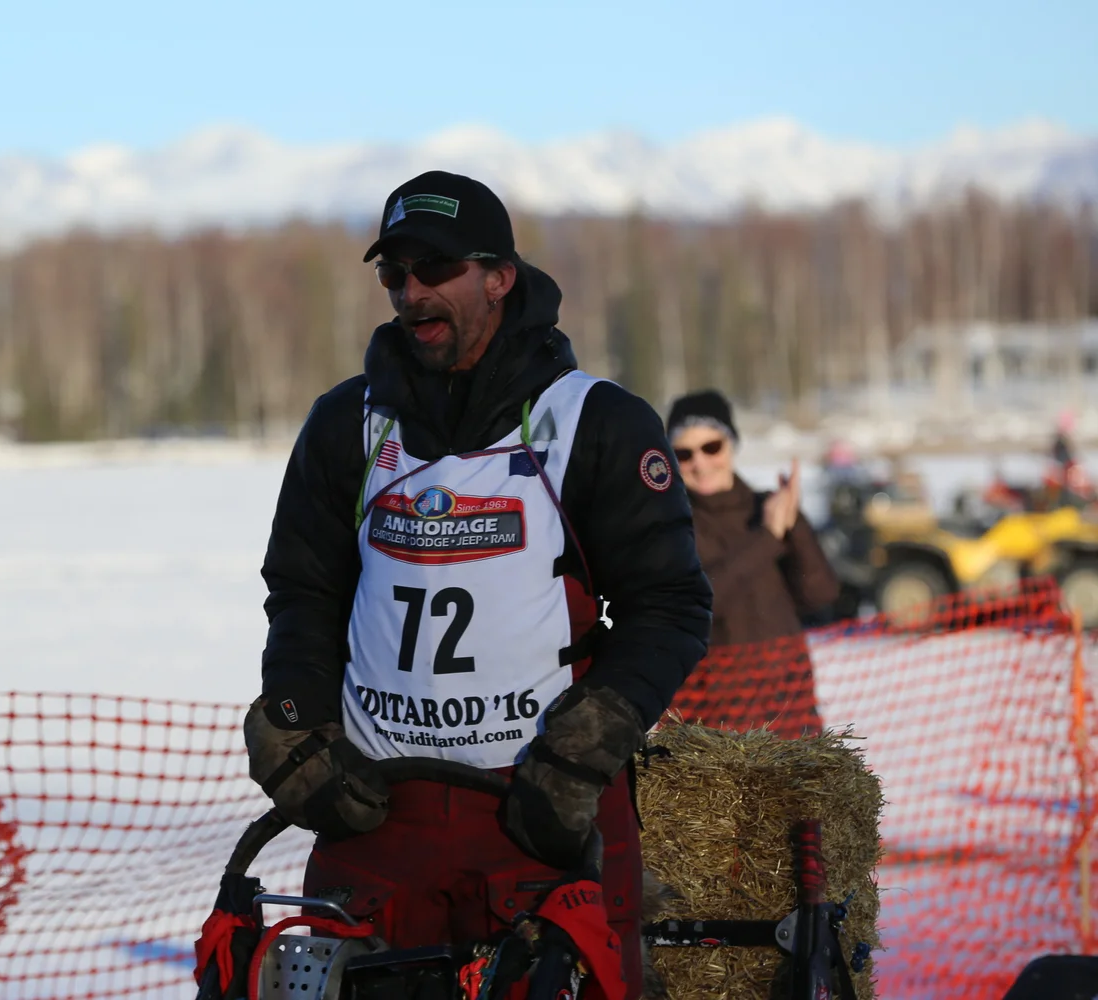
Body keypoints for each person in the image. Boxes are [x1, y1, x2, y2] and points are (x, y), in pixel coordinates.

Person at [245, 172, 712, 998]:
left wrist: (587, 745)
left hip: (538, 810)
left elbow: (670, 606)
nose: (411, 291)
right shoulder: (348, 423)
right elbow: (303, 591)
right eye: (394, 274)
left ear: (499, 277)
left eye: (436, 267)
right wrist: (294, 713)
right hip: (379, 811)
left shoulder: (595, 422)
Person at [665, 389, 839, 735]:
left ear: (731, 445)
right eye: (684, 453)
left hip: (792, 716)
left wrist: (794, 524)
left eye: (711, 447)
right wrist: (769, 538)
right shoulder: (671, 527)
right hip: (716, 729)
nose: (700, 463)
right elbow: (702, 600)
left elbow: (820, 593)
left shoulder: (769, 509)